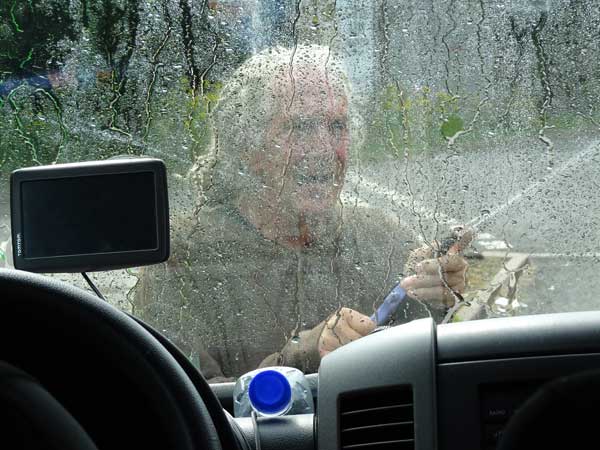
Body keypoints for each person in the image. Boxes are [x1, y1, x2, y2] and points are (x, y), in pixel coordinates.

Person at [134, 45, 468, 382]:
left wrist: (435, 299)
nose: (324, 149)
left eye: (337, 126)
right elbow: (189, 409)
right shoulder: (181, 260)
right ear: (246, 147)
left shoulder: (385, 238)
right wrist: (304, 355)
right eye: (299, 127)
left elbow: (429, 371)